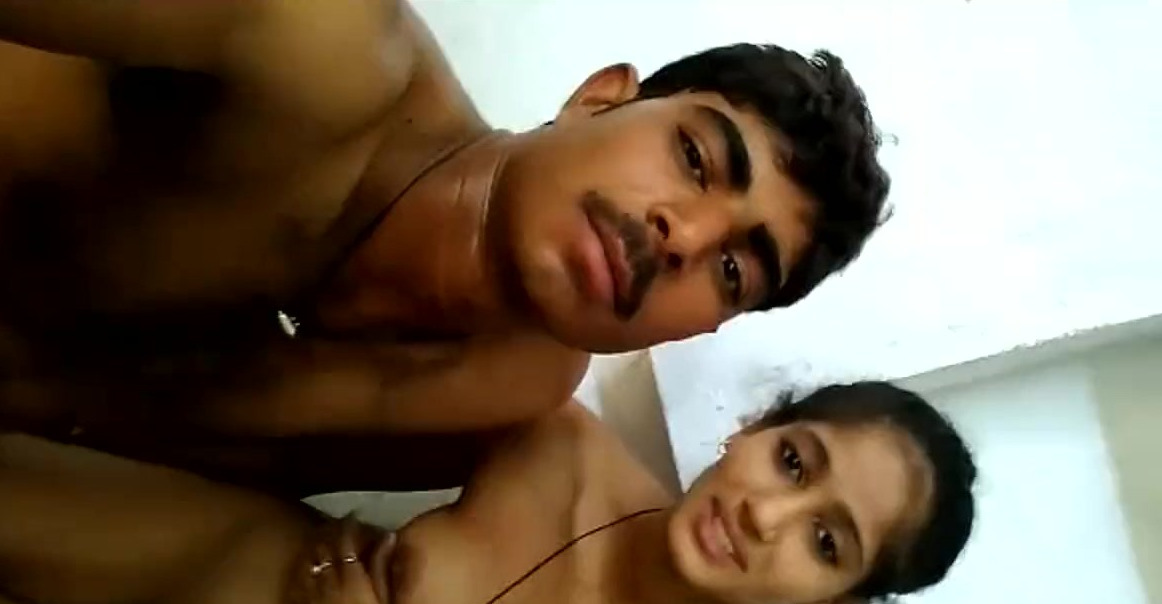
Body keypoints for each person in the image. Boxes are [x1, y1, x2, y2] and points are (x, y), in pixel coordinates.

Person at [0, 2, 890, 491]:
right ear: (598, 97)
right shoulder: (319, 40)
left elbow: (221, 459)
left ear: (699, 330)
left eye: (732, 270)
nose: (682, 237)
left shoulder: (512, 385)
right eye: (693, 158)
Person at [0, 381, 975, 604]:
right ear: (750, 429)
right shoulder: (552, 436)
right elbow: (302, 423)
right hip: (210, 569)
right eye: (793, 461)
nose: (766, 513)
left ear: (828, 602)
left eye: (825, 541)